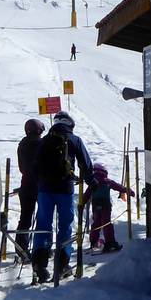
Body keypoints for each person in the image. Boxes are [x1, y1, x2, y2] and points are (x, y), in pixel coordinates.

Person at [32, 111, 96, 282]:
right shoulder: (74, 140)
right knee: (65, 225)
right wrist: (91, 181)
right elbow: (85, 164)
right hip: (65, 189)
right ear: (70, 124)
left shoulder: (45, 140)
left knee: (43, 224)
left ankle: (39, 263)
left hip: (45, 189)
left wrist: (39, 183)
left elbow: (35, 166)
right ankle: (62, 264)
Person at [82, 163, 134, 253]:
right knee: (106, 224)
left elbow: (86, 195)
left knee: (96, 223)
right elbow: (119, 187)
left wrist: (81, 203)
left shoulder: (92, 183)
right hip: (105, 206)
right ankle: (110, 243)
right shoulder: (107, 181)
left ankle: (93, 242)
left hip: (95, 206)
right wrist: (128, 191)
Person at [14, 118, 45, 259]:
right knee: (43, 218)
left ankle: (21, 249)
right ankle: (41, 247)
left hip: (26, 185)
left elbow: (22, 167)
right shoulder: (42, 144)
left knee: (25, 218)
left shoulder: (22, 145)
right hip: (41, 185)